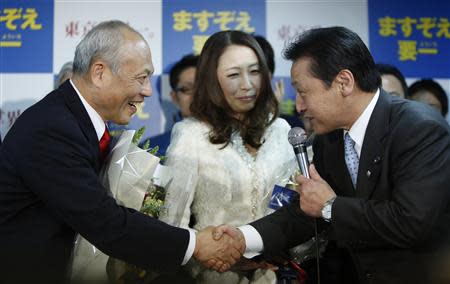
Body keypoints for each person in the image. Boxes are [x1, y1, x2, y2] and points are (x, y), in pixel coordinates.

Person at [0, 20, 241, 284]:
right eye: (141, 78)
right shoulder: (52, 128)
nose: (148, 91)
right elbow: (102, 220)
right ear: (99, 73)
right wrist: (195, 244)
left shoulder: (73, 119)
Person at [215, 26, 450, 284]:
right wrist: (243, 238)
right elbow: (305, 212)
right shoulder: (331, 138)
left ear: (344, 82)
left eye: (303, 92)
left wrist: (331, 207)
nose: (299, 106)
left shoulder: (419, 129)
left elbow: (410, 222)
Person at [159, 30, 297, 283]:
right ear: (212, 80)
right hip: (215, 274)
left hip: (277, 274)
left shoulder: (281, 131)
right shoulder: (191, 135)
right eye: (234, 75)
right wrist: (219, 254)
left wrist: (276, 250)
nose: (247, 84)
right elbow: (171, 224)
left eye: (255, 71)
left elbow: (295, 204)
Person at [140, 54, 199, 157]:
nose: (197, 95)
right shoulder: (151, 150)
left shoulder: (232, 142)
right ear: (175, 97)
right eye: (187, 89)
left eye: (203, 87)